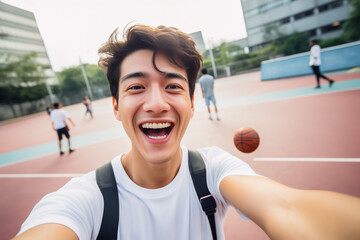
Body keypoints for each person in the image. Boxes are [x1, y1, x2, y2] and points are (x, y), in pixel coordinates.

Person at [13, 25, 360, 240]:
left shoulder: (214, 171)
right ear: (115, 107)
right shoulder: (84, 201)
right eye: (136, 87)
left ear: (191, 103)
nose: (156, 103)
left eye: (173, 86)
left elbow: (286, 208)